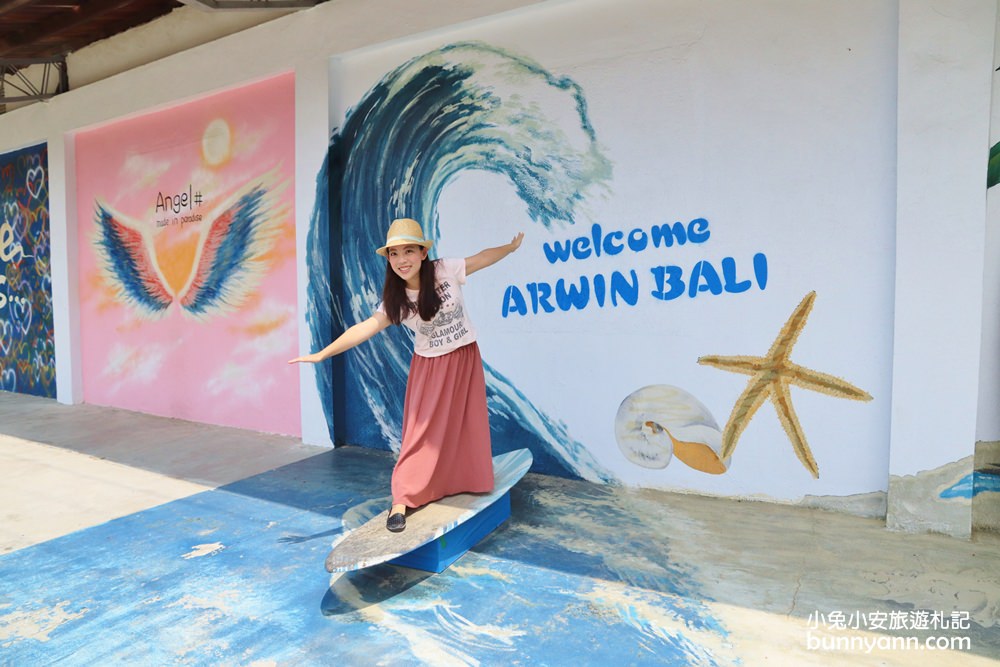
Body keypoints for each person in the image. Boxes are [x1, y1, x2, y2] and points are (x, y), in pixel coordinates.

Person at [289, 218, 523, 532]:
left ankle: (464, 480)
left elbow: (480, 258)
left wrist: (509, 248)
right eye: (395, 254)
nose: (402, 260)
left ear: (422, 253)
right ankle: (402, 500)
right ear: (389, 259)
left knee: (466, 423)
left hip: (465, 357)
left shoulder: (444, 270)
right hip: (431, 367)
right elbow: (364, 329)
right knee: (420, 436)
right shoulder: (395, 300)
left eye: (408, 251)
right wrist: (322, 354)